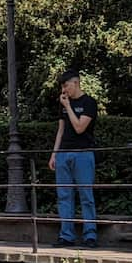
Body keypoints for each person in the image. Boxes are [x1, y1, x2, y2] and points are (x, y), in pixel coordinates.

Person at [49, 68, 99, 247]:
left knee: (86, 194)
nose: (64, 90)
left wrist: (68, 107)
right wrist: (54, 154)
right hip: (64, 154)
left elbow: (79, 127)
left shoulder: (89, 103)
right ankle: (66, 235)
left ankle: (90, 235)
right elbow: (61, 130)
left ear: (76, 83)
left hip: (83, 153)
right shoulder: (63, 104)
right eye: (62, 86)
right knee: (64, 196)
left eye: (66, 86)